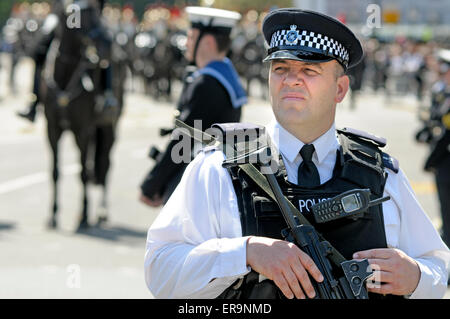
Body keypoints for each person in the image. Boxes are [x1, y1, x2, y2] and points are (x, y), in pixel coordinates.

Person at [144, 8, 449, 299]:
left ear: (340, 89)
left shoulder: (381, 175)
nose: (291, 80)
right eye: (281, 69)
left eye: (309, 70)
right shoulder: (220, 168)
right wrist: (245, 253)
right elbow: (160, 270)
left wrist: (416, 277)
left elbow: (437, 265)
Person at [139, 7, 247, 207]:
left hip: (194, 181)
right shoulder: (224, 75)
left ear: (207, 42)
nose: (186, 43)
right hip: (211, 178)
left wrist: (152, 184)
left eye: (191, 37)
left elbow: (185, 139)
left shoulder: (206, 83)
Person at [417, 49, 450, 248]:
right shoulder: (442, 93)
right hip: (442, 160)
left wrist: (431, 161)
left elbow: (446, 134)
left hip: (445, 161)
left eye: (443, 71)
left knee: (447, 209)